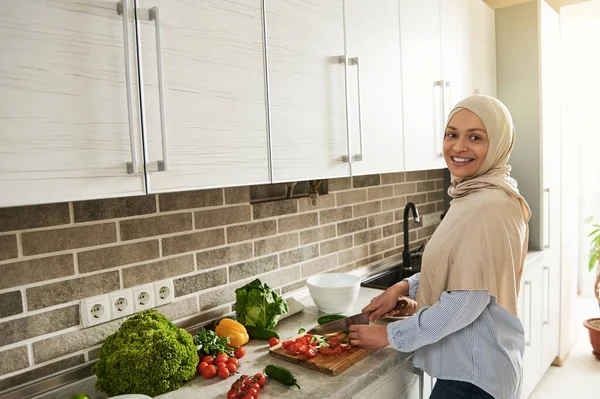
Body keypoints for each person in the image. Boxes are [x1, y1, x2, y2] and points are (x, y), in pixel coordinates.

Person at [348, 94, 531, 399]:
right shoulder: (475, 194)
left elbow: (464, 302)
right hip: (472, 371)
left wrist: (389, 335)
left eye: (475, 137)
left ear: (498, 143)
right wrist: (405, 286)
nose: (459, 147)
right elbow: (459, 269)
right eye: (452, 134)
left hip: (473, 380)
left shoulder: (491, 205)